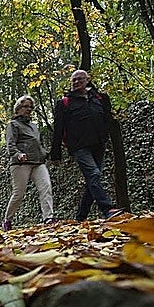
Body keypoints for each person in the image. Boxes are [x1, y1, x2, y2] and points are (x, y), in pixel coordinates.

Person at [50, 69, 124, 221]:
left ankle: (80, 217)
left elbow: (108, 120)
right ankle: (108, 209)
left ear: (87, 80)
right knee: (94, 174)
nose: (76, 82)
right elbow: (58, 129)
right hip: (79, 146)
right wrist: (55, 153)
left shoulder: (99, 98)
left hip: (98, 144)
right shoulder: (65, 103)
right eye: (73, 80)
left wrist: (107, 139)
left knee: (92, 180)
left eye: (79, 79)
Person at [1, 95, 54, 230]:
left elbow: (38, 145)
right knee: (19, 193)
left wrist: (47, 154)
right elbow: (10, 144)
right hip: (21, 163)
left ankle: (48, 218)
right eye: (26, 106)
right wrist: (18, 154)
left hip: (38, 162)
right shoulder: (13, 125)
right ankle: (7, 220)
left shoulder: (34, 127)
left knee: (46, 187)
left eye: (31, 107)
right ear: (18, 108)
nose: (29, 109)